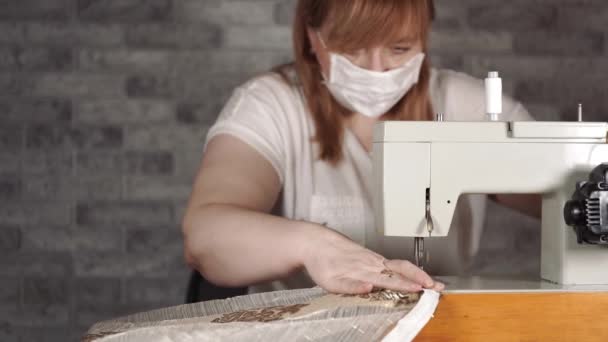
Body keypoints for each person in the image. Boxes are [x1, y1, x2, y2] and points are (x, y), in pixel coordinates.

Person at [181, 0, 541, 296]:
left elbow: (566, 194)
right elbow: (205, 234)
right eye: (352, 50)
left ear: (424, 38)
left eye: (400, 48)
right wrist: (311, 246)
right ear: (311, 36)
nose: (377, 68)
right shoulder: (269, 107)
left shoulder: (466, 105)